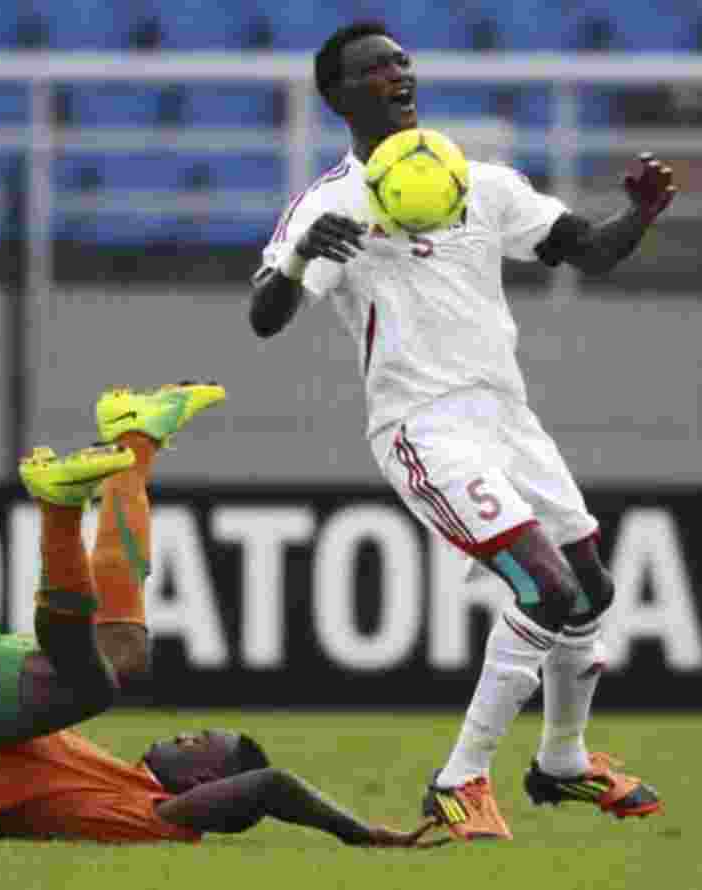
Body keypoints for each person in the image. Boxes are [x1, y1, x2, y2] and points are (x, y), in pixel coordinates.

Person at [248, 21, 675, 842]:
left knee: (591, 591)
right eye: (375, 69)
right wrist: (300, 258)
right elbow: (266, 316)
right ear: (339, 96)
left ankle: (562, 762)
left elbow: (587, 251)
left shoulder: (481, 182)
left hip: (507, 418)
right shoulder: (328, 205)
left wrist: (641, 211)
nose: (397, 74)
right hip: (423, 427)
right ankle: (460, 779)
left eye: (401, 61)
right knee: (545, 590)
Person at [0, 384, 435, 847]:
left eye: (198, 742)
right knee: (119, 662)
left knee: (107, 674)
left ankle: (104, 471)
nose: (182, 733)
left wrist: (358, 834)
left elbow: (271, 785)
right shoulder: (110, 775)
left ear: (208, 783)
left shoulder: (154, 814)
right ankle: (122, 453)